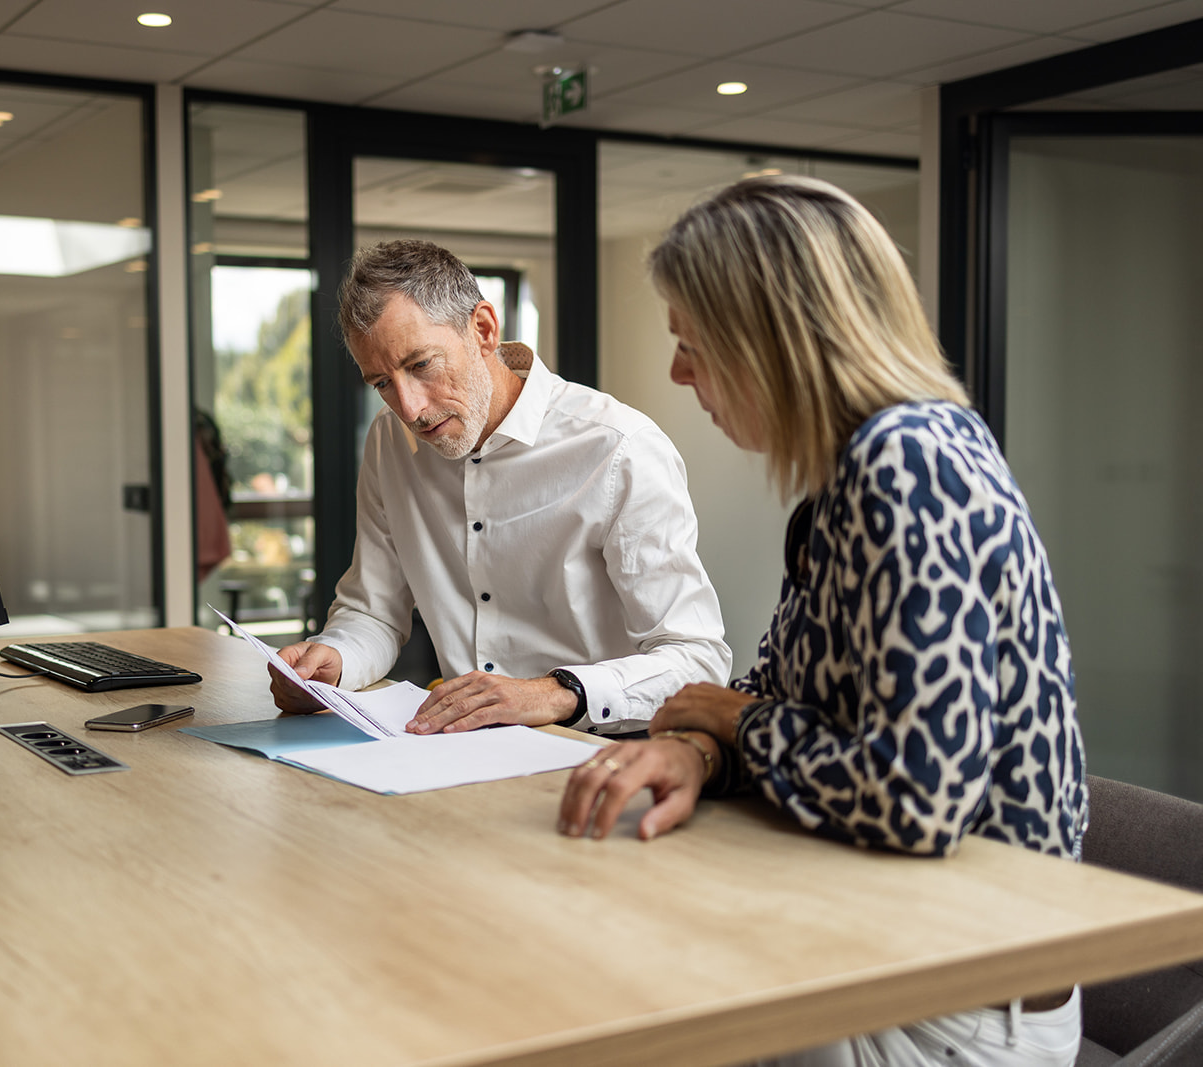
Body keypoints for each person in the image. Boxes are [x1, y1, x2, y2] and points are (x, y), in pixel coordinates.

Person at [558, 176, 1087, 1066]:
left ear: (772, 341)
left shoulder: (904, 467)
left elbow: (917, 797)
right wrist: (697, 746)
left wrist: (732, 721)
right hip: (894, 942)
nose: (680, 373)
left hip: (950, 1001)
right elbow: (779, 689)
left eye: (693, 344)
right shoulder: (862, 471)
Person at [270, 239, 731, 736]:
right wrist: (332, 662)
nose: (409, 408)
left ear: (484, 330)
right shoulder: (389, 442)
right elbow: (373, 611)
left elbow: (697, 660)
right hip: (463, 749)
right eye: (381, 382)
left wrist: (555, 692)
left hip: (604, 749)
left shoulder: (619, 448)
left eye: (421, 365)